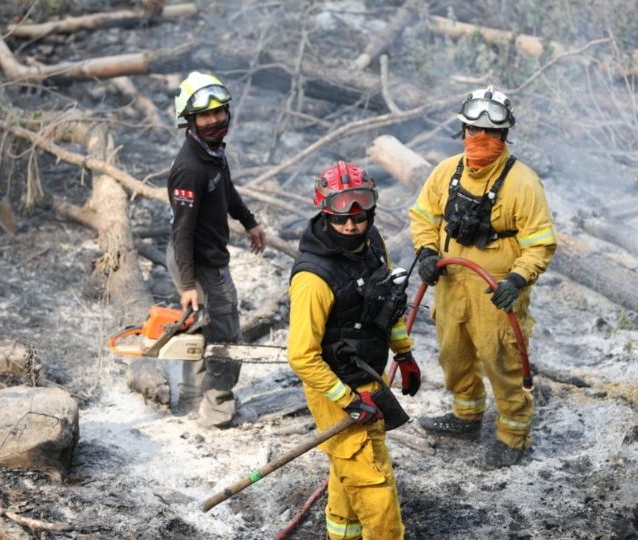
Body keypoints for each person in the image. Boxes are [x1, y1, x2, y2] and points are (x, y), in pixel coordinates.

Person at [409, 85, 556, 468]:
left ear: (505, 135)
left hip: (497, 293)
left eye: (490, 133)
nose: (481, 140)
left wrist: (518, 280)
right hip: (451, 285)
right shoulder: (446, 172)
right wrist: (426, 251)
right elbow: (423, 217)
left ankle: (513, 434)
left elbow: (540, 243)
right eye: (473, 131)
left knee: (501, 361)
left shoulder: (523, 183)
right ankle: (466, 416)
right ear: (462, 132)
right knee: (453, 355)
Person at [287, 162, 421, 539]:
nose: (350, 226)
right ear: (325, 213)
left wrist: (404, 353)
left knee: (350, 468)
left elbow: (387, 305)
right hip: (335, 387)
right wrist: (346, 400)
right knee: (374, 486)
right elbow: (301, 355)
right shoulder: (313, 278)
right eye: (341, 219)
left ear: (371, 212)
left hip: (367, 377)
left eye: (359, 218)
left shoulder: (373, 246)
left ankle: (341, 534)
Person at [166, 71, 266, 427]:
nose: (215, 120)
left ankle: (193, 401)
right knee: (225, 335)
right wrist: (190, 284)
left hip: (201, 259)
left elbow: (227, 190)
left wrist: (249, 221)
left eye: (219, 112)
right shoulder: (189, 168)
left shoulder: (211, 153)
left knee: (200, 327)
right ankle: (219, 410)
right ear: (189, 120)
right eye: (205, 115)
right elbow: (182, 232)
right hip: (199, 262)